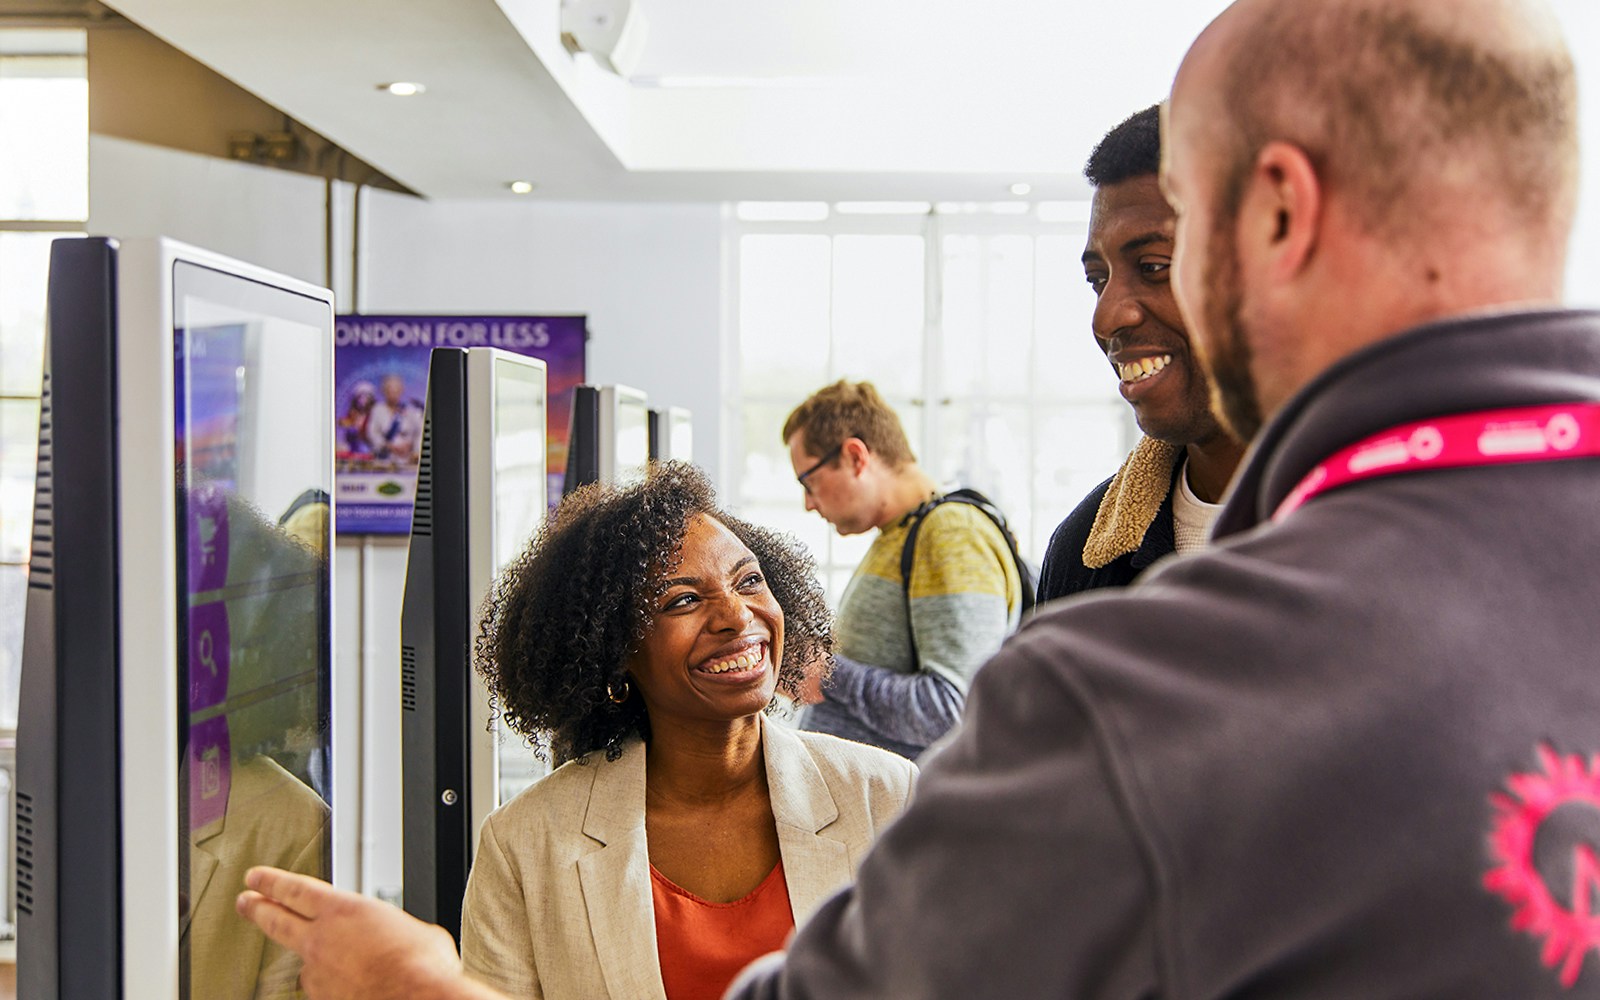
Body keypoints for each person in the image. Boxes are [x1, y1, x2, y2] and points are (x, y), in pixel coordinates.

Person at [241, 0, 1600, 994]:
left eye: (1173, 235)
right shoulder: (1107, 568)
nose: (1133, 309)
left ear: (1279, 212)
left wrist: (421, 990)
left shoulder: (1136, 696)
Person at [469, 462, 913, 999]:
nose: (735, 615)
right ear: (612, 653)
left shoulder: (887, 798)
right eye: (683, 600)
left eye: (749, 581)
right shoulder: (525, 844)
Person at [1037, 104, 1245, 602]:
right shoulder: (1084, 558)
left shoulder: (1393, 533)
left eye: (1153, 267)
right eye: (1097, 280)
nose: (1106, 319)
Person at [782, 380, 1024, 758]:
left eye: (809, 481)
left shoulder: (951, 533)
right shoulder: (903, 531)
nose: (808, 504)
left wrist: (824, 673)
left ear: (855, 457)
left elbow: (953, 713)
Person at [365, 373, 423, 463]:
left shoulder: (410, 410)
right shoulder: (377, 410)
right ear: (383, 391)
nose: (393, 394)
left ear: (401, 390)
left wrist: (414, 449)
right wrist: (388, 446)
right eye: (390, 390)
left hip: (406, 459)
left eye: (396, 391)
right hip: (384, 459)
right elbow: (372, 434)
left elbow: (420, 432)